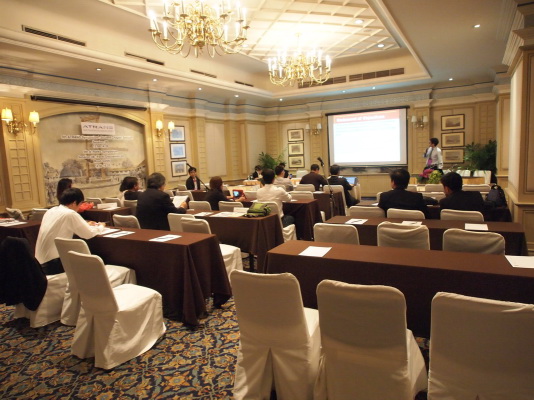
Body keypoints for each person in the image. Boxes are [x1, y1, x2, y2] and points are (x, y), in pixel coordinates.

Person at [35, 188, 104, 275]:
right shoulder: (70, 213)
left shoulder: (51, 211)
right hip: (53, 264)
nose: (79, 208)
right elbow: (89, 234)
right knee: (91, 262)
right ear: (74, 203)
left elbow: (61, 227)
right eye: (80, 204)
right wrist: (101, 226)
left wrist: (86, 224)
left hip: (38, 264)